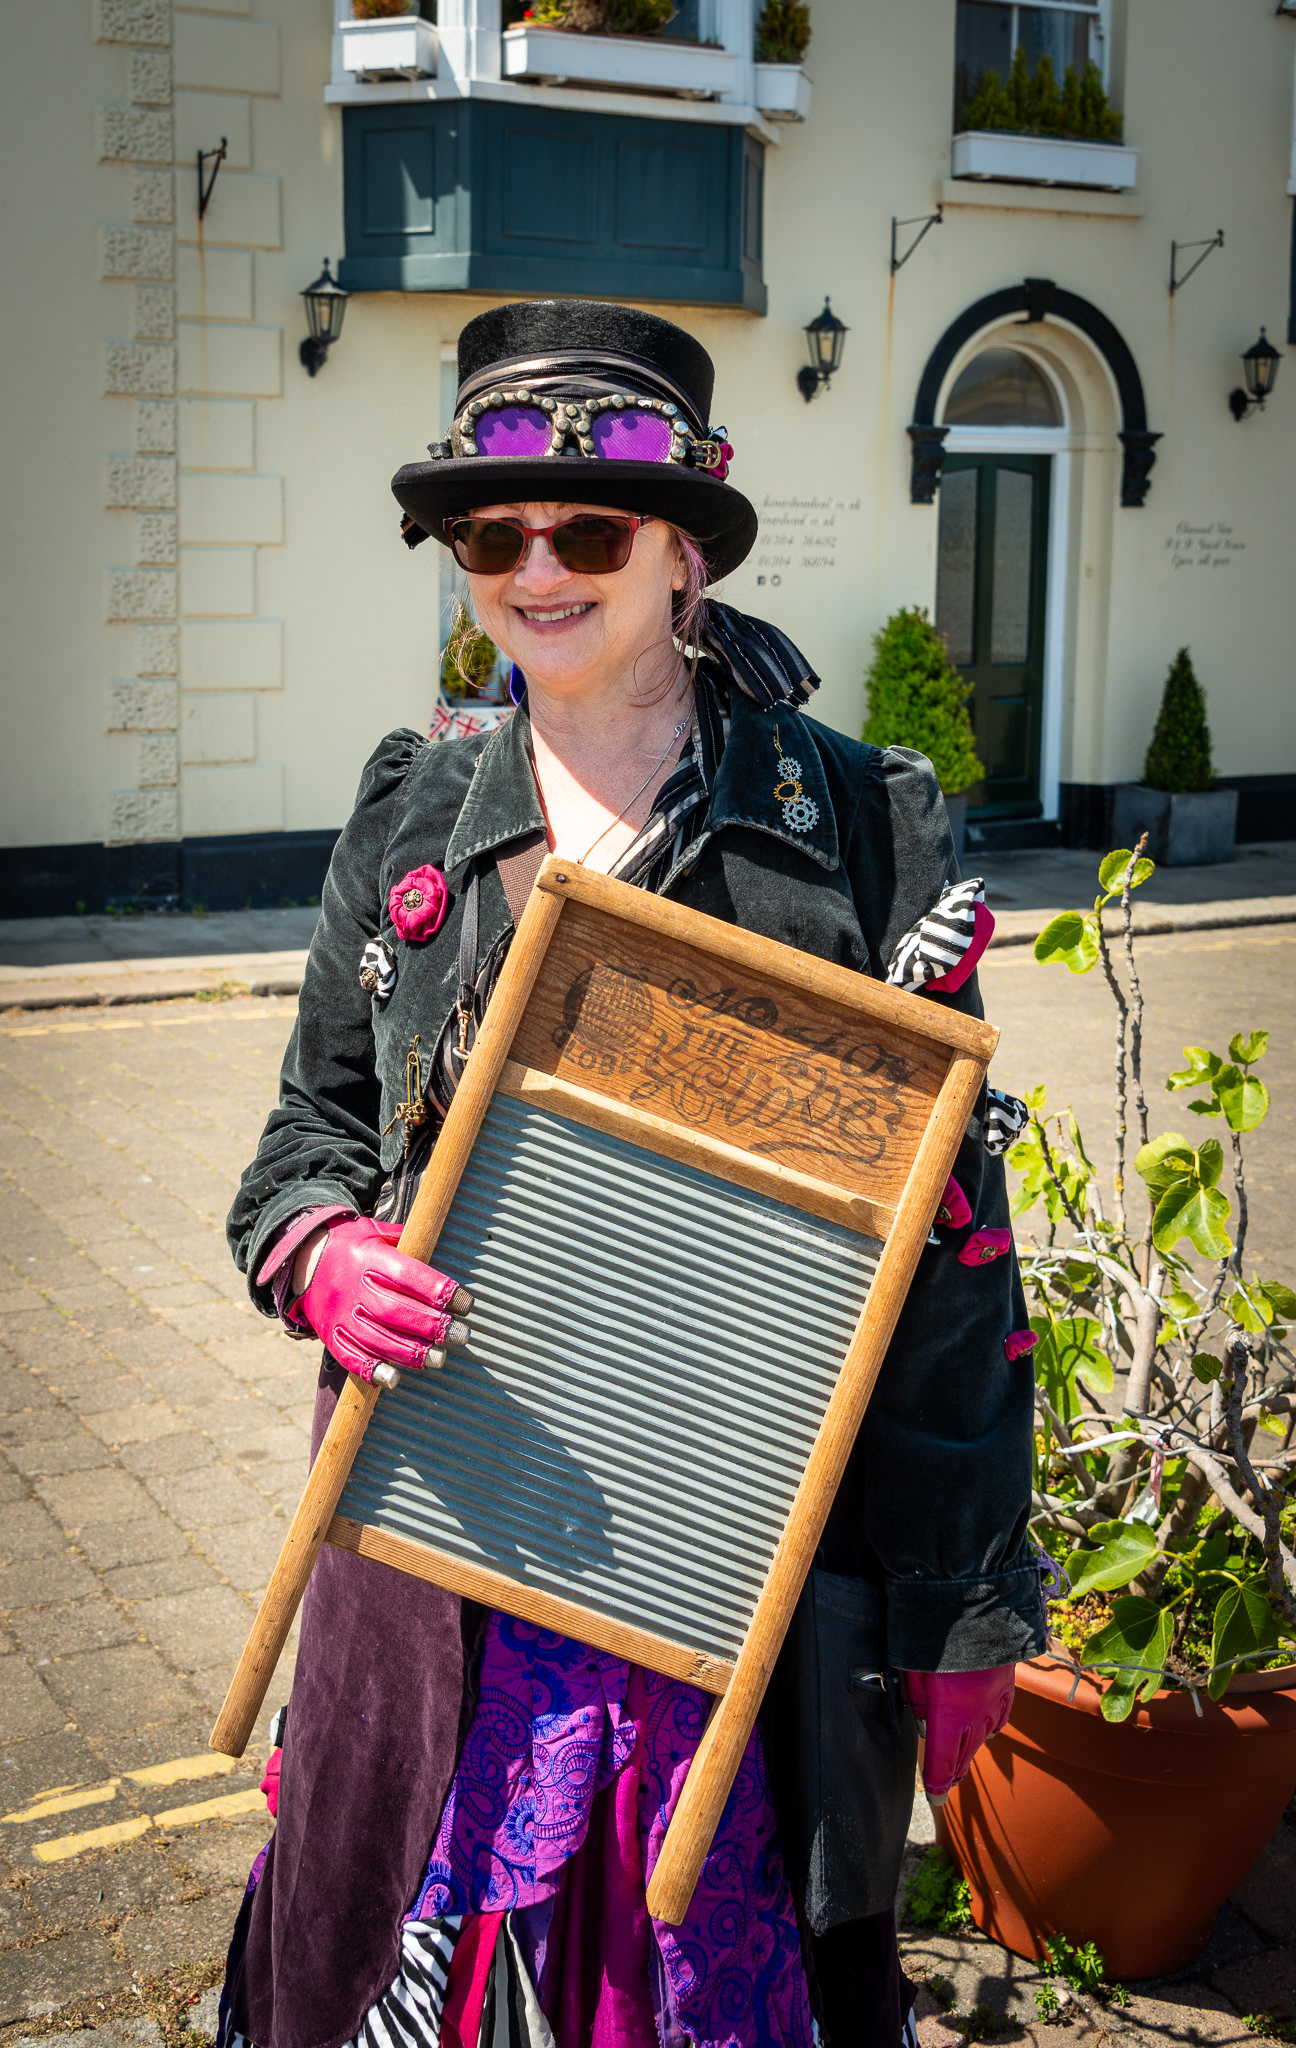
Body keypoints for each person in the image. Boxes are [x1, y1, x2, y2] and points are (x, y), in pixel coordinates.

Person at [217, 299, 1043, 2048]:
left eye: (588, 531)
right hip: (441, 1575)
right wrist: (328, 1251)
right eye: (491, 536)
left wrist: (963, 1604)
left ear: (684, 554)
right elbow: (305, 1138)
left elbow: (954, 1258)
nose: (537, 571)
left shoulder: (860, 830)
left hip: (739, 1593)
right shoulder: (410, 815)